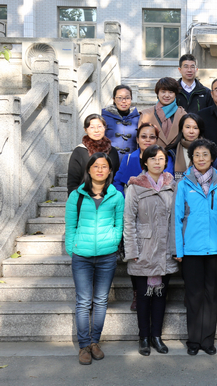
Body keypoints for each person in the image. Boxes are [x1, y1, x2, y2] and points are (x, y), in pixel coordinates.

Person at [65, 152, 124, 365]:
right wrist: (73, 249)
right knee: (83, 301)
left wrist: (113, 242)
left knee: (100, 300)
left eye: (104, 166)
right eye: (96, 166)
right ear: (89, 170)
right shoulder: (77, 196)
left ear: (110, 171)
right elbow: (70, 226)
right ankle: (83, 345)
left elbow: (119, 224)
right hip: (82, 256)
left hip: (107, 256)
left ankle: (94, 342)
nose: (100, 170)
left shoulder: (116, 196)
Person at [174, 138, 217, 356]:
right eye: (196, 155)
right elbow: (177, 218)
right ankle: (194, 340)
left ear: (212, 158)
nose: (201, 158)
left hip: (215, 249)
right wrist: (178, 249)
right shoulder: (184, 184)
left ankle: (208, 340)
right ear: (192, 158)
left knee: (211, 296)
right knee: (194, 295)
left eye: (205, 154)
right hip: (191, 250)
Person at [123, 145, 178, 356]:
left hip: (164, 248)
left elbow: (177, 219)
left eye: (161, 158)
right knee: (144, 296)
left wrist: (176, 249)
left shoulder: (171, 186)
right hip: (143, 249)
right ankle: (144, 337)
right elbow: (129, 220)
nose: (157, 162)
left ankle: (157, 336)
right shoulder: (135, 187)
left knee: (160, 295)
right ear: (145, 162)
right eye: (152, 158)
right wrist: (132, 250)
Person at [114, 123, 175, 195]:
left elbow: (169, 183)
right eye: (143, 136)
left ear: (156, 140)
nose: (147, 140)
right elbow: (117, 183)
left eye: (152, 137)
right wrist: (126, 198)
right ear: (137, 139)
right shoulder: (128, 159)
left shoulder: (166, 159)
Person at [67, 114, 121, 194]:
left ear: (105, 128)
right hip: (84, 196)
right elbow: (72, 182)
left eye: (99, 126)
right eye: (92, 127)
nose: (96, 130)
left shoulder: (112, 151)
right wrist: (75, 199)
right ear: (85, 130)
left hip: (108, 197)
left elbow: (116, 178)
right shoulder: (80, 151)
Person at [167, 113, 217, 182]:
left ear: (200, 130)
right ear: (182, 129)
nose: (191, 131)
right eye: (187, 127)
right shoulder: (172, 152)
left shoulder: (209, 150)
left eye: (195, 128)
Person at [139, 77, 187, 149]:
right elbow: (140, 141)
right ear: (157, 93)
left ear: (175, 94)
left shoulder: (183, 114)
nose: (167, 95)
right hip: (152, 154)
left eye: (171, 92)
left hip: (176, 155)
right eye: (163, 91)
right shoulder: (145, 115)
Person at [102, 84, 140, 160]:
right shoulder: (104, 117)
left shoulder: (138, 118)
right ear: (114, 99)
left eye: (127, 98)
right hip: (109, 160)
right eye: (119, 98)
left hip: (131, 160)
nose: (124, 101)